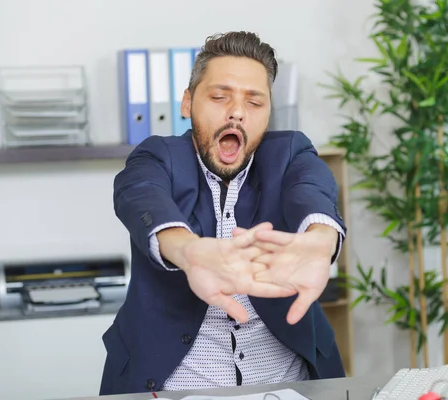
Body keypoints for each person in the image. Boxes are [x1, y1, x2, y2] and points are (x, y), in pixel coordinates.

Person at [99, 31, 347, 396]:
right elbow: (139, 194)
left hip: (284, 384)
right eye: (219, 96)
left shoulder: (290, 152)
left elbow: (312, 188)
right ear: (187, 103)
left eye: (255, 102)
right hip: (173, 384)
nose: (236, 112)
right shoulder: (157, 156)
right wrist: (188, 251)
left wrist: (321, 239)